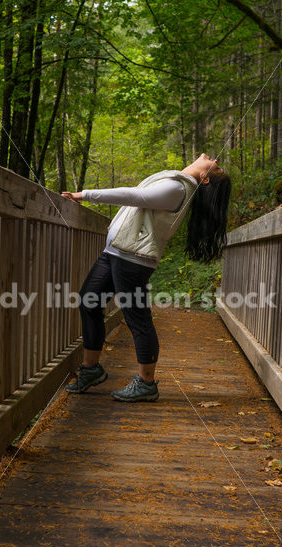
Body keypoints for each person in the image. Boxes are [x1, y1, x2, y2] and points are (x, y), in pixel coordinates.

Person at [61, 153, 231, 402]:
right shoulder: (176, 182)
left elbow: (134, 196)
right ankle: (91, 369)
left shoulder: (178, 188)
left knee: (137, 318)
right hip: (116, 252)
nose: (212, 157)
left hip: (132, 259)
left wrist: (84, 195)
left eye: (216, 164)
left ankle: (147, 383)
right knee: (89, 301)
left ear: (205, 179)